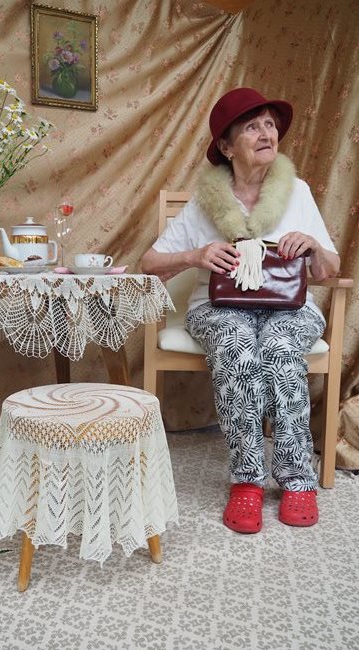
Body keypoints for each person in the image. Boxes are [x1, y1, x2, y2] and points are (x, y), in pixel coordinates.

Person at [141, 87, 340, 534]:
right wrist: (195, 255)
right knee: (237, 343)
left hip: (291, 306)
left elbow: (331, 268)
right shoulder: (205, 200)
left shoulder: (298, 192)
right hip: (218, 306)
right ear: (227, 147)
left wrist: (313, 246)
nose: (266, 133)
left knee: (280, 346)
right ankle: (247, 480)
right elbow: (149, 263)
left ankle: (297, 478)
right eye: (252, 126)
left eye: (270, 124)